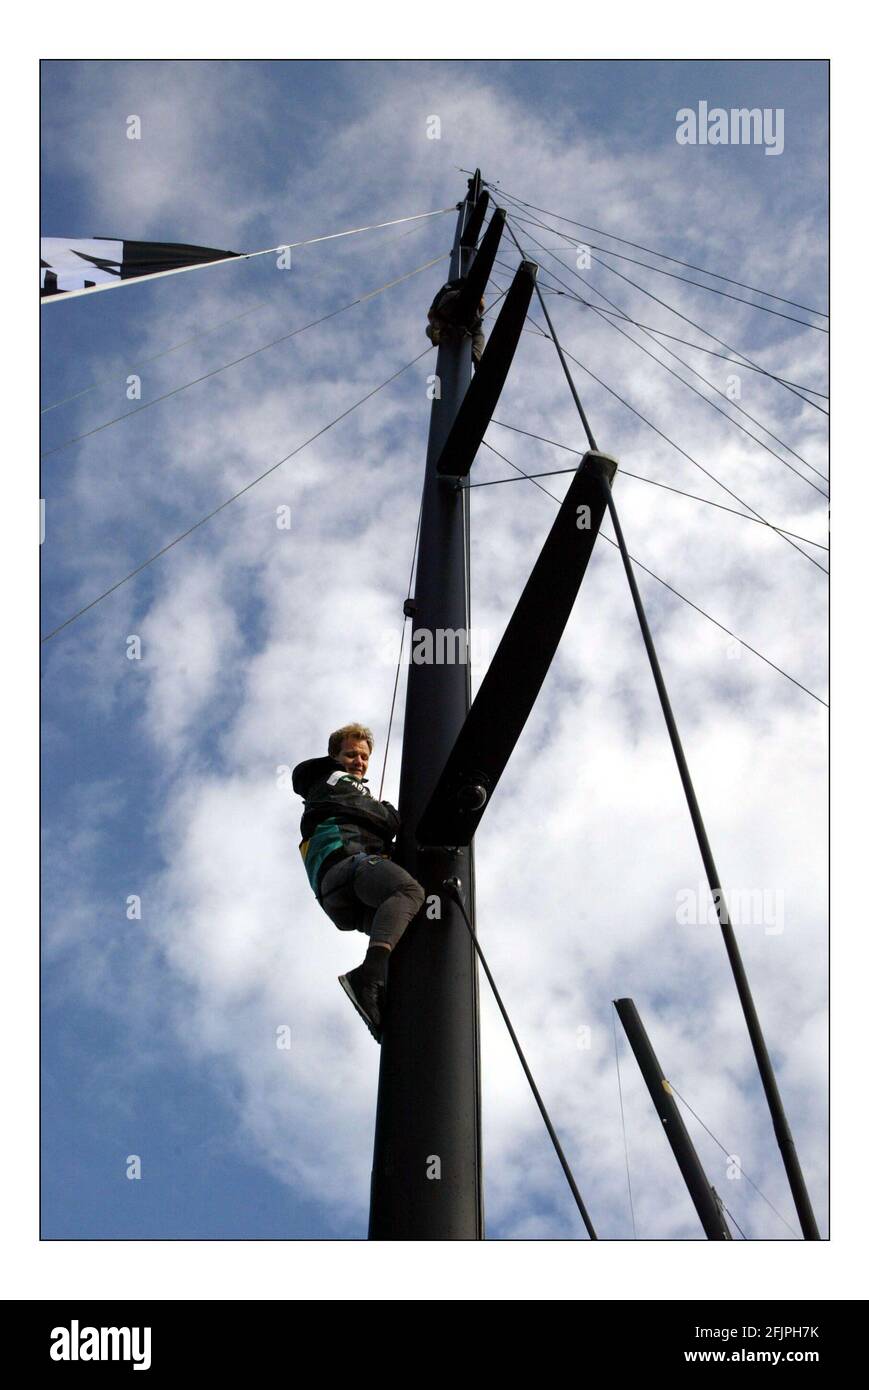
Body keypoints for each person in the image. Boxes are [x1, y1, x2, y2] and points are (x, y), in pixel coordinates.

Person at [292, 724, 425, 1043]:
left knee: (402, 930)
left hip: (337, 895)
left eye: (364, 756)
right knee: (408, 892)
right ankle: (368, 975)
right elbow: (383, 818)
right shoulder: (333, 778)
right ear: (335, 756)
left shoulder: (332, 786)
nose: (358, 761)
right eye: (351, 754)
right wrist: (391, 814)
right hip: (346, 866)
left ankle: (384, 1002)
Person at [425, 279, 485, 367]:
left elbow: (432, 311)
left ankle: (436, 331)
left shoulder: (447, 286)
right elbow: (481, 306)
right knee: (479, 334)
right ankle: (476, 354)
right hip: (460, 301)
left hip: (446, 305)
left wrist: (435, 318)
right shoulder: (466, 283)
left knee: (433, 325)